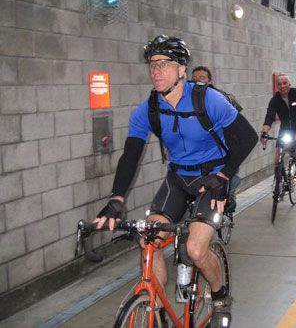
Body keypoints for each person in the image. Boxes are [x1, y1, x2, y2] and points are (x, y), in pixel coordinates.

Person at [95, 35, 258, 327]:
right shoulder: (148, 110)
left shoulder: (208, 99)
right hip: (178, 179)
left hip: (211, 180)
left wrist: (223, 177)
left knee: (195, 250)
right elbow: (130, 156)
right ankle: (153, 309)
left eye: (165, 64)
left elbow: (247, 138)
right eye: (153, 64)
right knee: (150, 241)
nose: (156, 70)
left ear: (182, 69)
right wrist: (116, 198)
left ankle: (220, 295)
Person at [191, 66, 242, 209]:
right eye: (194, 79)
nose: (197, 82)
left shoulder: (222, 97)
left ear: (210, 81)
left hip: (224, 141)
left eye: (202, 79)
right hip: (201, 145)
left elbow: (237, 122)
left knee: (231, 169)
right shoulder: (186, 100)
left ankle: (230, 191)